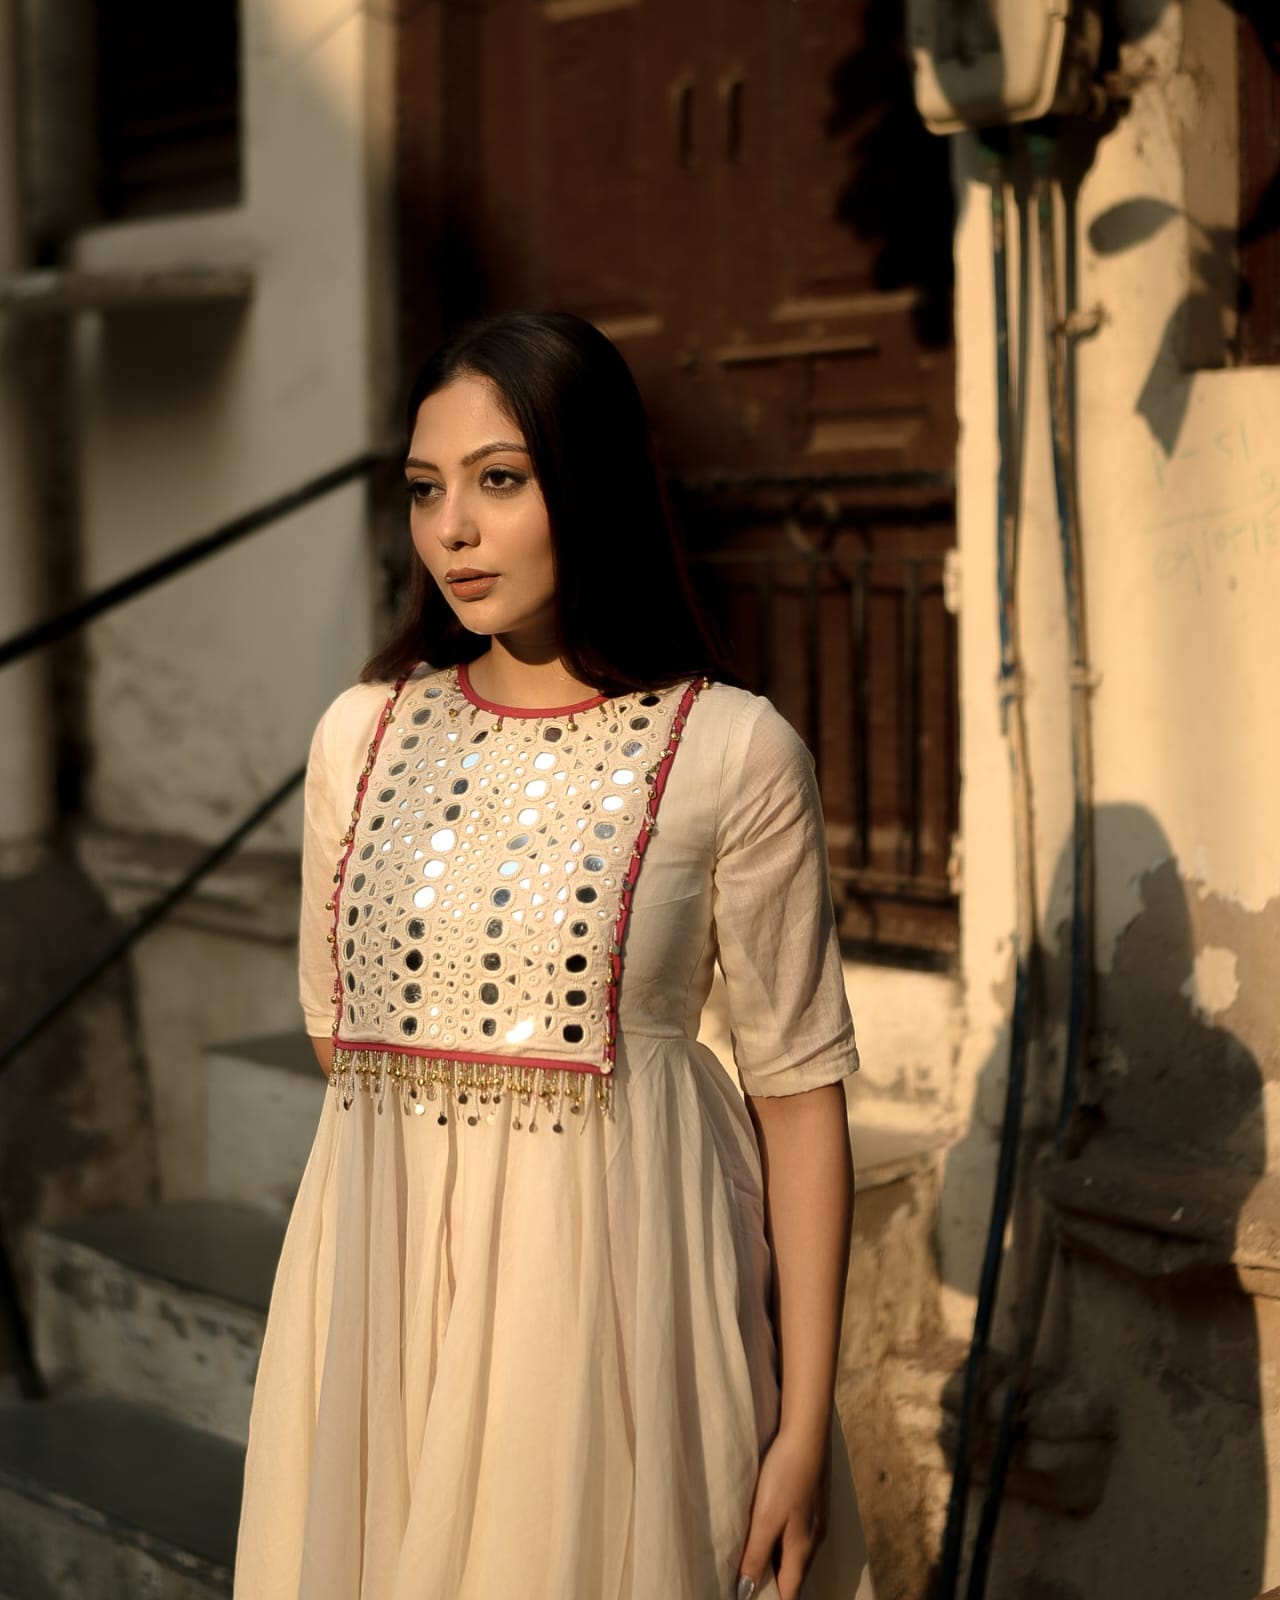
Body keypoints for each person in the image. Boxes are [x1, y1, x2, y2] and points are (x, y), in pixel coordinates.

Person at [234, 310, 875, 1600]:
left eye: (500, 480)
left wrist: (803, 1429)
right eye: (425, 490)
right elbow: (340, 1038)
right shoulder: (360, 735)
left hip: (616, 1318)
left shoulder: (733, 750)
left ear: (589, 485)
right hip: (387, 1305)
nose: (453, 531)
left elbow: (800, 1098)